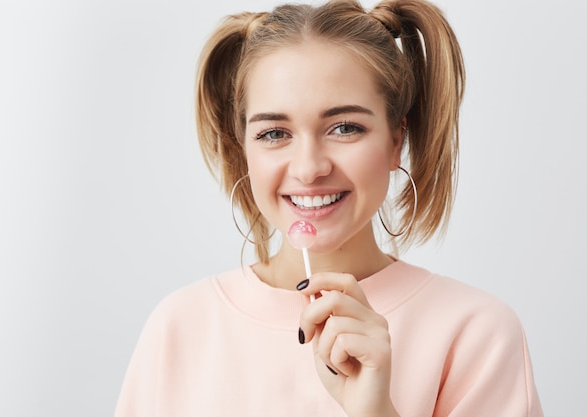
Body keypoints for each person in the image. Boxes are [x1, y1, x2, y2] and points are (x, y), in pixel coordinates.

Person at [114, 0, 543, 415]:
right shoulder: (179, 327)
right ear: (242, 145)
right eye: (273, 134)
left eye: (344, 127)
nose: (309, 168)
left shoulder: (477, 334)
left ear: (397, 140)